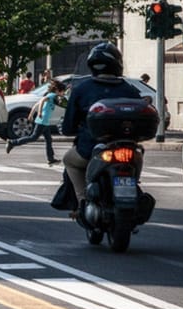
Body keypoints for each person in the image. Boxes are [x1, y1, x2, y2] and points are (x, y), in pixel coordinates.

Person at [60, 42, 142, 200]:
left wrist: (71, 129)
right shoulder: (130, 90)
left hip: (90, 148)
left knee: (69, 161)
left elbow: (68, 126)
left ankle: (82, 200)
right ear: (117, 64)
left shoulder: (82, 90)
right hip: (127, 147)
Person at [6, 80, 65, 164]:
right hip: (42, 121)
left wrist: (31, 114)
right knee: (33, 137)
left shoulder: (50, 95)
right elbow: (41, 101)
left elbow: (36, 104)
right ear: (57, 91)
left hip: (45, 122)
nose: (63, 94)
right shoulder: (52, 95)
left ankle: (51, 158)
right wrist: (40, 112)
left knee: (49, 139)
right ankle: (12, 142)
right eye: (63, 92)